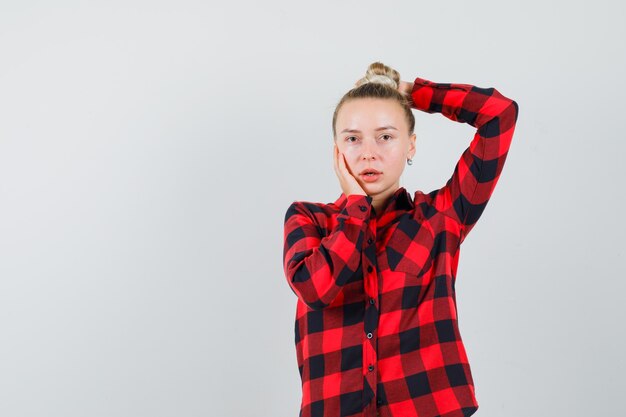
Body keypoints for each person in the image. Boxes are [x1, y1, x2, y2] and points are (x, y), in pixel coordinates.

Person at [282, 61, 519, 417]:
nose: (368, 152)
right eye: (352, 138)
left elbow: (499, 114)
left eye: (386, 136)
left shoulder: (441, 217)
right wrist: (355, 209)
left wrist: (408, 92)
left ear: (411, 146)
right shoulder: (308, 219)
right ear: (336, 151)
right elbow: (316, 289)